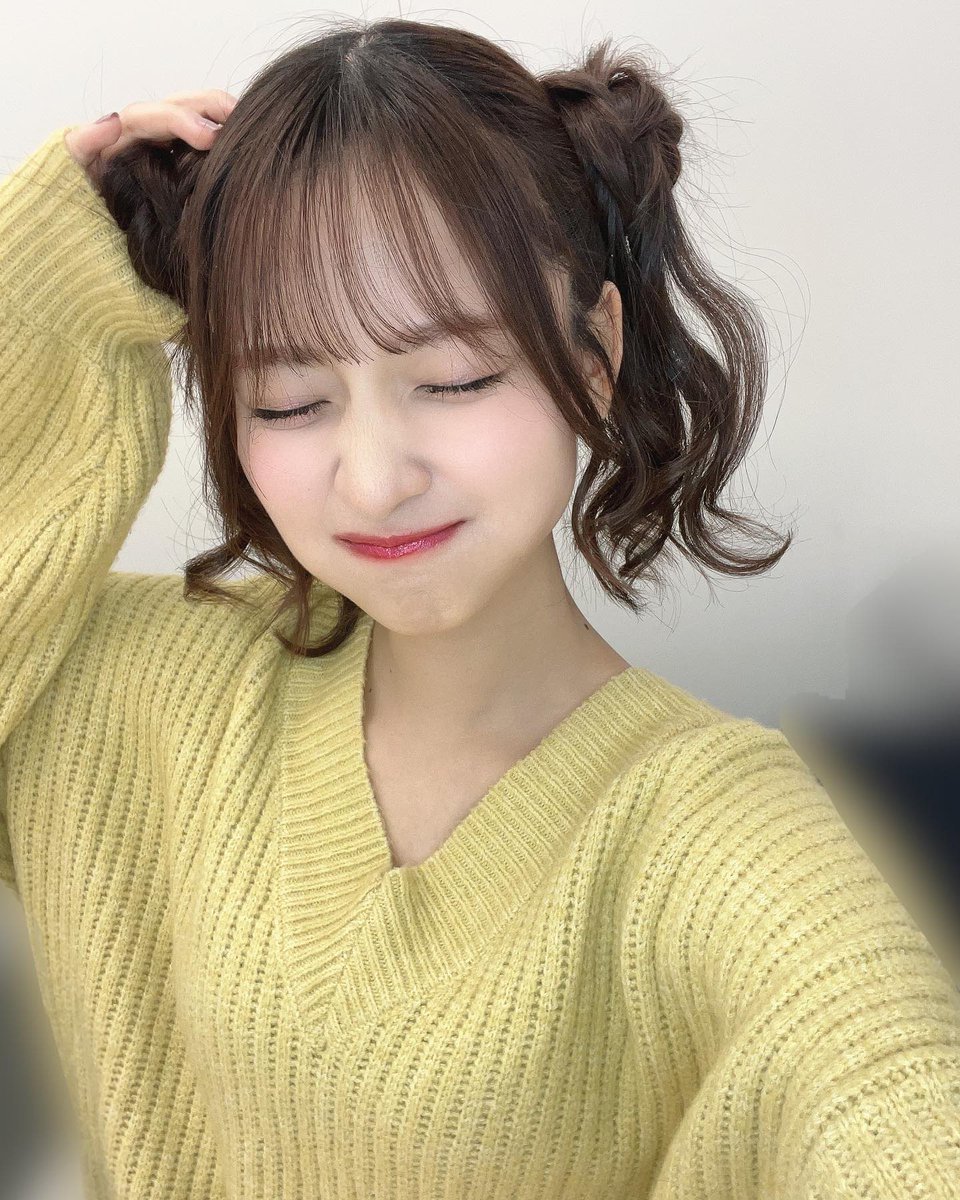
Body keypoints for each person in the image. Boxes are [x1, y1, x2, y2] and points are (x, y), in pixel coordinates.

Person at [1, 16, 957, 1198]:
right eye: (289, 399)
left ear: (594, 357)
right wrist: (38, 287)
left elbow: (886, 1089)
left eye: (453, 380)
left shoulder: (707, 829)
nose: (374, 478)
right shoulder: (127, 692)